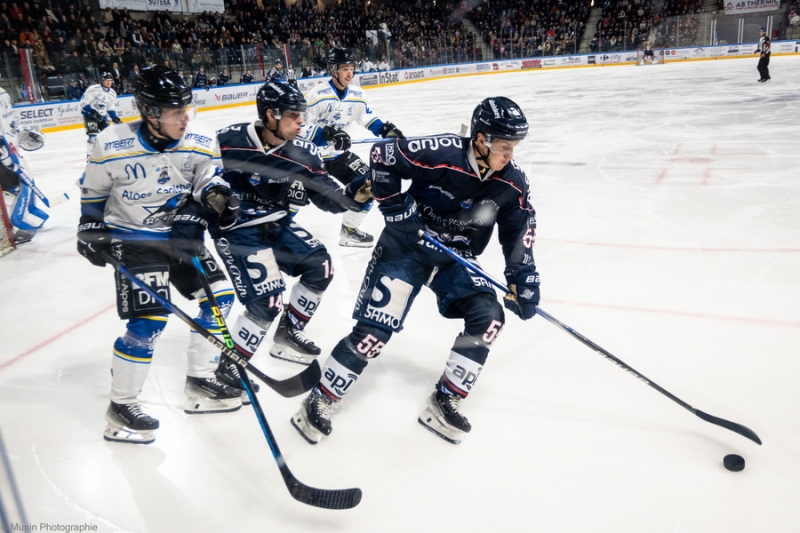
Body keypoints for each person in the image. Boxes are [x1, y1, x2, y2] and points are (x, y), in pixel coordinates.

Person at [291, 97, 538, 446]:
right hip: (405, 247)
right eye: (503, 146)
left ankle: (445, 398)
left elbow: (519, 232)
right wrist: (398, 213)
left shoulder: (513, 182)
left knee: (489, 316)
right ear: (480, 139)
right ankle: (321, 396)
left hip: (455, 254)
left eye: (514, 147)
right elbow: (381, 157)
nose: (509, 154)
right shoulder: (442, 152)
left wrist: (523, 277)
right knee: (374, 332)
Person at [76, 66, 243, 444]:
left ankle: (200, 381)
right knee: (150, 319)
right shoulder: (111, 143)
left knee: (219, 298)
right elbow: (93, 195)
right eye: (175, 112)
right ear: (150, 113)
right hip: (134, 238)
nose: (186, 118)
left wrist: (217, 198)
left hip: (181, 234)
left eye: (188, 108)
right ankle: (121, 407)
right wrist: (89, 227)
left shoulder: (199, 139)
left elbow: (208, 180)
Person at [210, 81, 373, 371]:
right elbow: (197, 178)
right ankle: (229, 371)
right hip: (237, 228)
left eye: (302, 115)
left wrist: (355, 196)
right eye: (294, 116)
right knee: (267, 301)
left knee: (320, 266)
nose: (302, 121)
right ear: (271, 115)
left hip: (276, 222)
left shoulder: (302, 153)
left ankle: (288, 333)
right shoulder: (226, 140)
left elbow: (328, 196)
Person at [301, 47, 404, 248]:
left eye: (351, 68)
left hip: (339, 156)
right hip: (312, 157)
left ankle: (349, 230)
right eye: (344, 68)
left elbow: (365, 117)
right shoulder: (317, 95)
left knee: (372, 183)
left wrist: (384, 130)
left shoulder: (357, 94)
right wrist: (326, 135)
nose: (350, 73)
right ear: (333, 70)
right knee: (293, 196)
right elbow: (302, 128)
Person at [0, 87, 48, 244]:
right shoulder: (3, 92)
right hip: (7, 148)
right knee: (18, 181)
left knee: (17, 183)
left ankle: (21, 220)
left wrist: (16, 132)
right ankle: (22, 219)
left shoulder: (3, 94)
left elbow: (8, 121)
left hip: (6, 148)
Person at [79, 72, 122, 158]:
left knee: (108, 136)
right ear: (102, 80)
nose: (109, 82)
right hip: (90, 116)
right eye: (107, 80)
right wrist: (93, 112)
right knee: (93, 137)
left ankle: (107, 155)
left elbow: (110, 107)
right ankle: (90, 156)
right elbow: (83, 103)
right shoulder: (93, 89)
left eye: (110, 80)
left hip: (102, 117)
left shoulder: (112, 93)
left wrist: (115, 118)